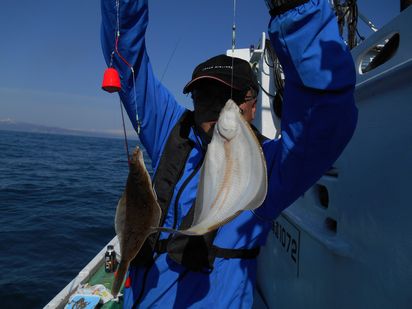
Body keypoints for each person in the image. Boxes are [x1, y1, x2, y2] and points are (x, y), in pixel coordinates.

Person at [101, 0, 358, 308]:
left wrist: (295, 11)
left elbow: (325, 123)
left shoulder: (268, 166)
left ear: (251, 105)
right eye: (204, 96)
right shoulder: (171, 130)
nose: (218, 107)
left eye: (232, 97)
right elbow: (127, 62)